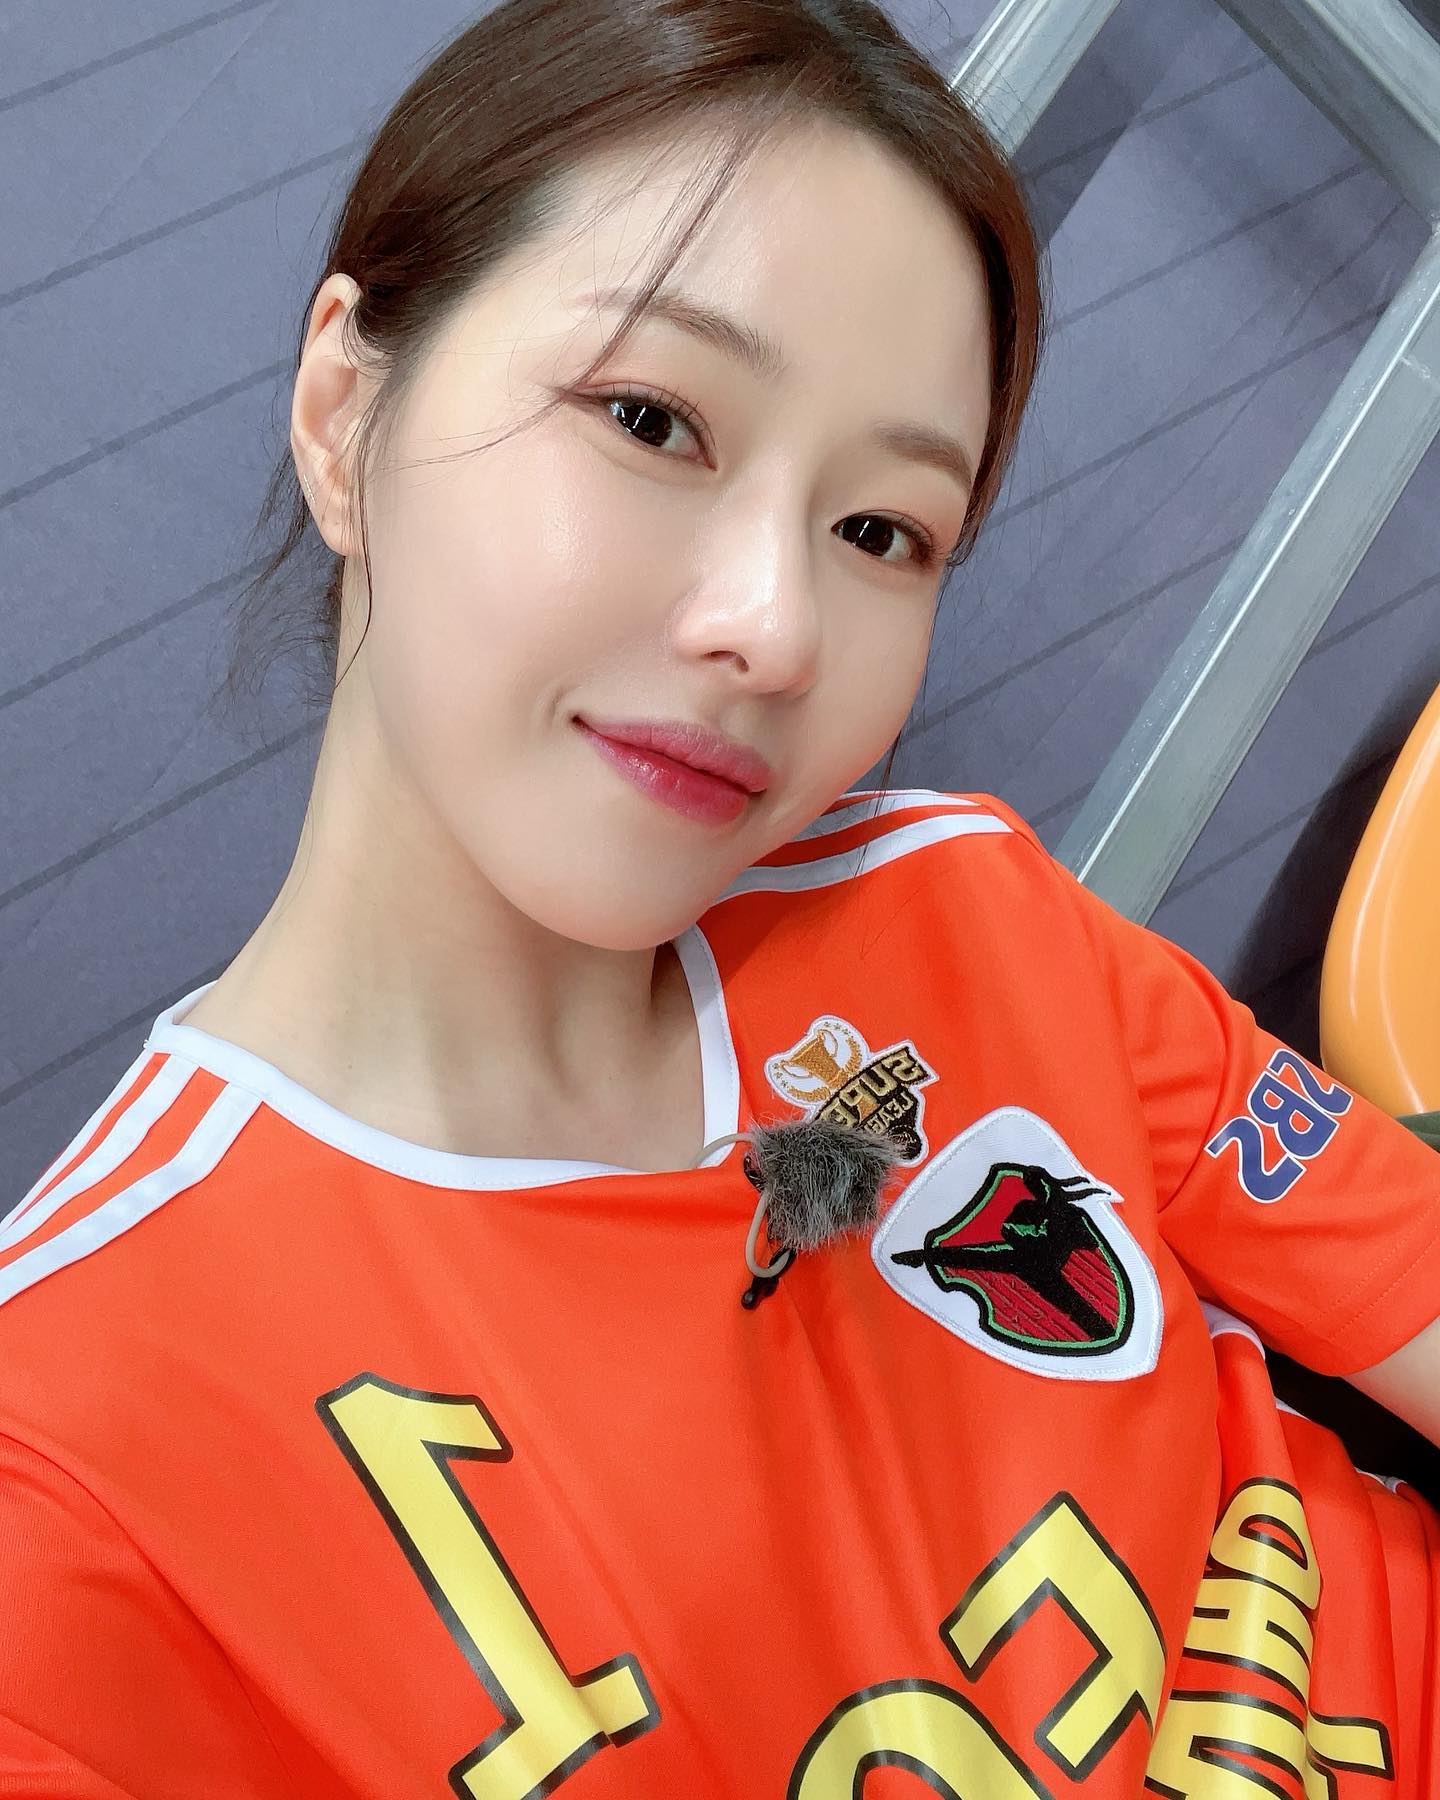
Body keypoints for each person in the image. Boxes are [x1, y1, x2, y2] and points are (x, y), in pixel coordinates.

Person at [2, 2, 1438, 1794]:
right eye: (653, 419)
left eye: (882, 531)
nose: (775, 626)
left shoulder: (967, 914)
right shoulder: (76, 1480)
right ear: (345, 408)